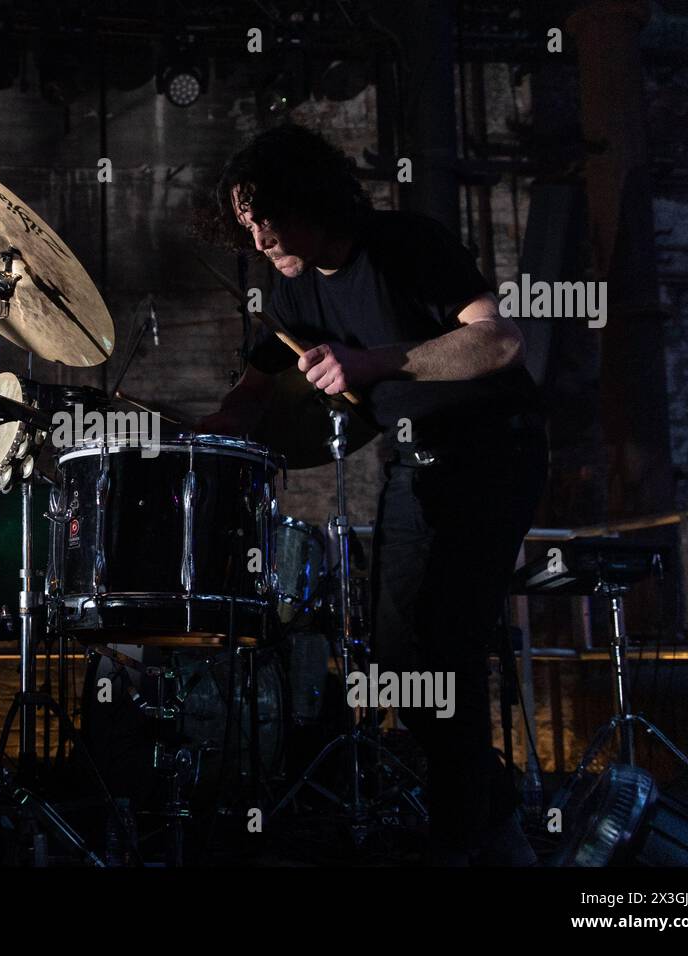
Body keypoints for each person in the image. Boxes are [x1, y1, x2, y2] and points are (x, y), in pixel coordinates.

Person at [199, 124, 547, 865]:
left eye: (266, 216)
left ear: (310, 198)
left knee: (443, 651)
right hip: (414, 466)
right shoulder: (289, 287)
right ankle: (499, 820)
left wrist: (375, 362)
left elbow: (499, 342)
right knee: (396, 666)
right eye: (245, 223)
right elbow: (257, 385)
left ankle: (466, 842)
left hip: (492, 452)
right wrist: (215, 426)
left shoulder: (404, 244)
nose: (257, 237)